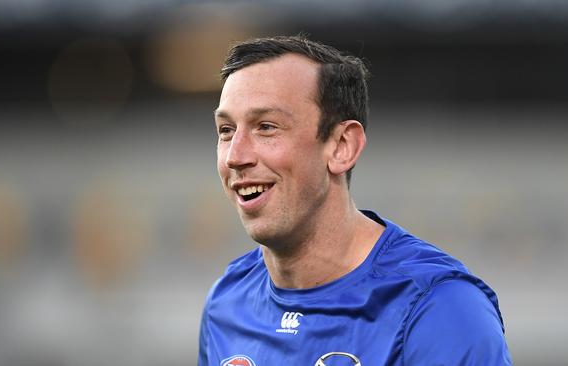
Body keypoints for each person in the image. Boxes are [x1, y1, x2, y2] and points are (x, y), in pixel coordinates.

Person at [199, 35, 512, 366]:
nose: (235, 156)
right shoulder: (226, 303)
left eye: (266, 127)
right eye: (226, 131)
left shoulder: (439, 310)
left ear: (341, 146)